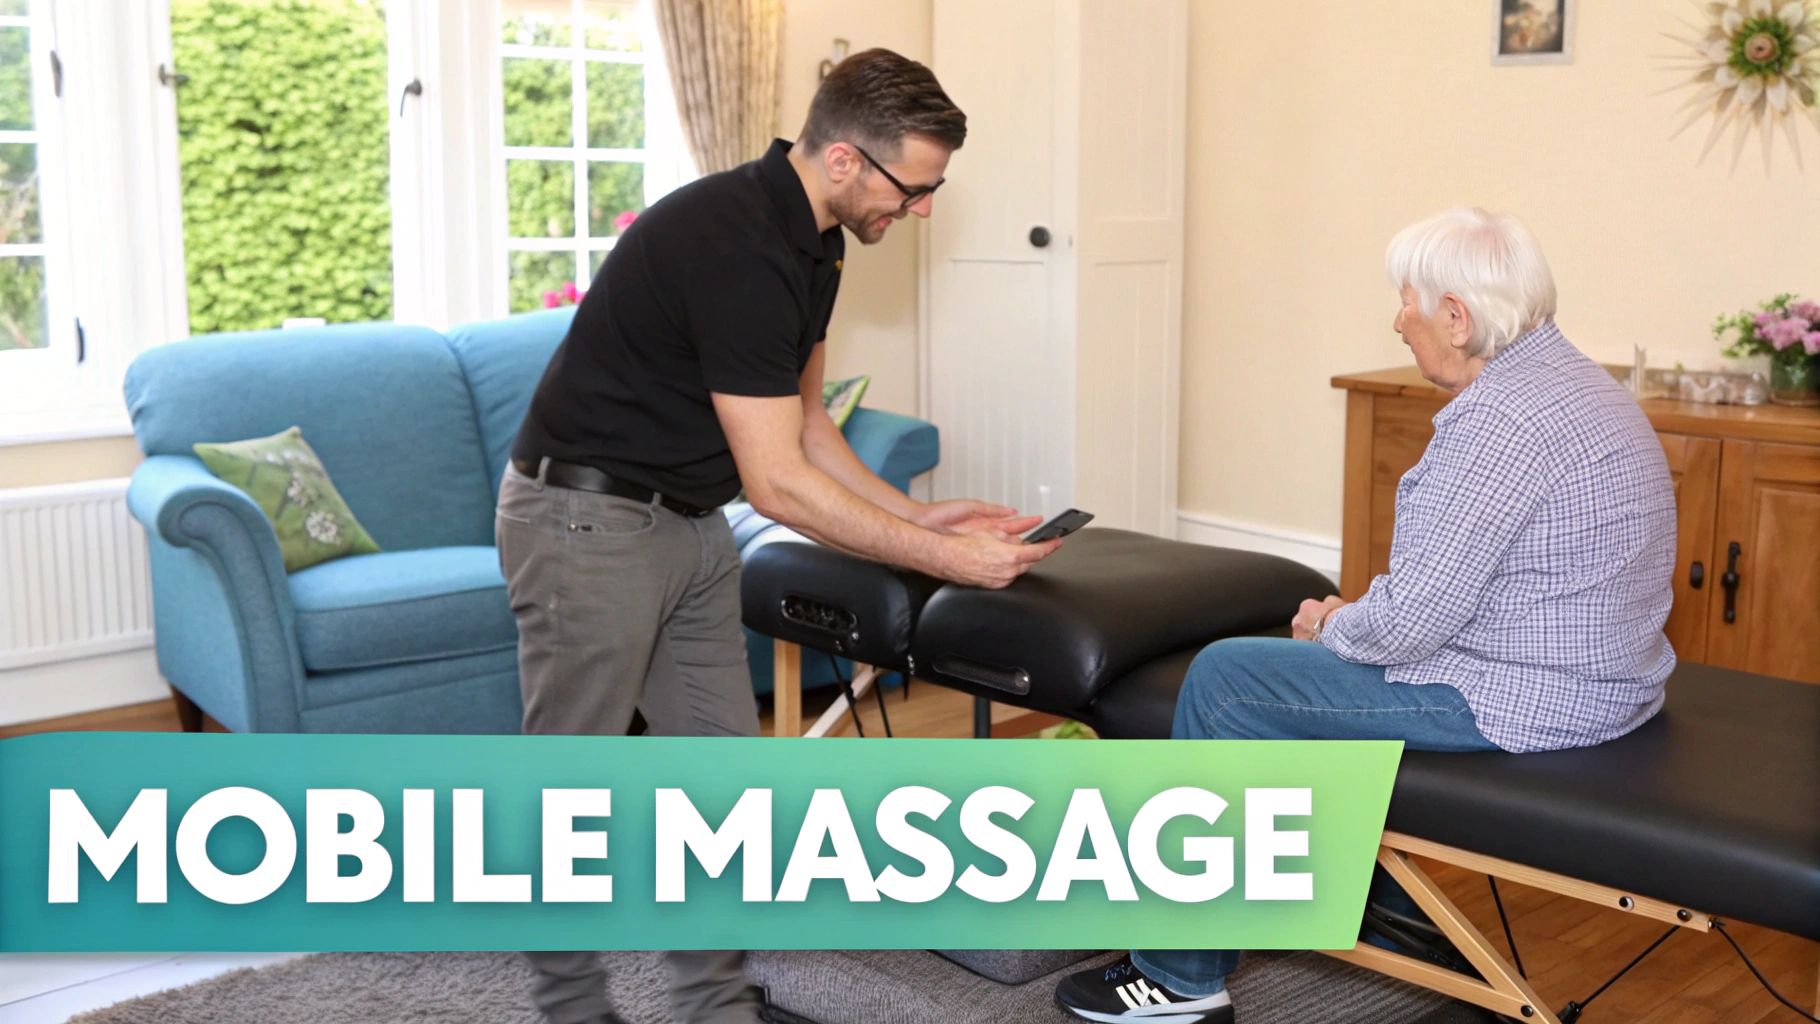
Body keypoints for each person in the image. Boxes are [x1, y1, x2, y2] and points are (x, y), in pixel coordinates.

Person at [497, 49, 1061, 1024]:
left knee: (721, 787)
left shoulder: (818, 240)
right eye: (912, 188)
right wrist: (938, 558)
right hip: (582, 521)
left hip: (688, 522)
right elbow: (777, 484)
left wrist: (920, 513)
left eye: (933, 190)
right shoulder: (732, 240)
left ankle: (715, 1004)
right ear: (844, 159)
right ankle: (568, 1005)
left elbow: (805, 423)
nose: (919, 208)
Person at [1054, 207, 1677, 1024]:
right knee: (1302, 684)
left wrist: (1334, 627)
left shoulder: (1502, 422)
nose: (1399, 319)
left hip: (1532, 694)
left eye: (1407, 300)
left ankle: (1177, 979)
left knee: (1231, 681)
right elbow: (1465, 589)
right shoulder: (1567, 378)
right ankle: (1402, 923)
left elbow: (1413, 622)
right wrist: (1361, 621)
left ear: (1457, 317)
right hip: (1605, 676)